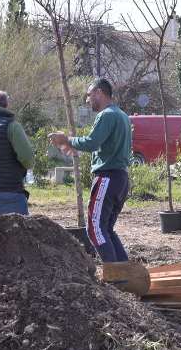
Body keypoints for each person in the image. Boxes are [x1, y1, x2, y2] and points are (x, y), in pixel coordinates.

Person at [49, 78, 132, 262]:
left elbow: (92, 142)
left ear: (99, 92)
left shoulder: (106, 115)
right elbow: (104, 147)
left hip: (107, 178)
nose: (87, 100)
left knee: (94, 229)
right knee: (106, 229)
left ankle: (115, 275)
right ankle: (126, 272)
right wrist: (75, 145)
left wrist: (67, 140)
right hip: (120, 178)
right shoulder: (122, 115)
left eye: (89, 95)